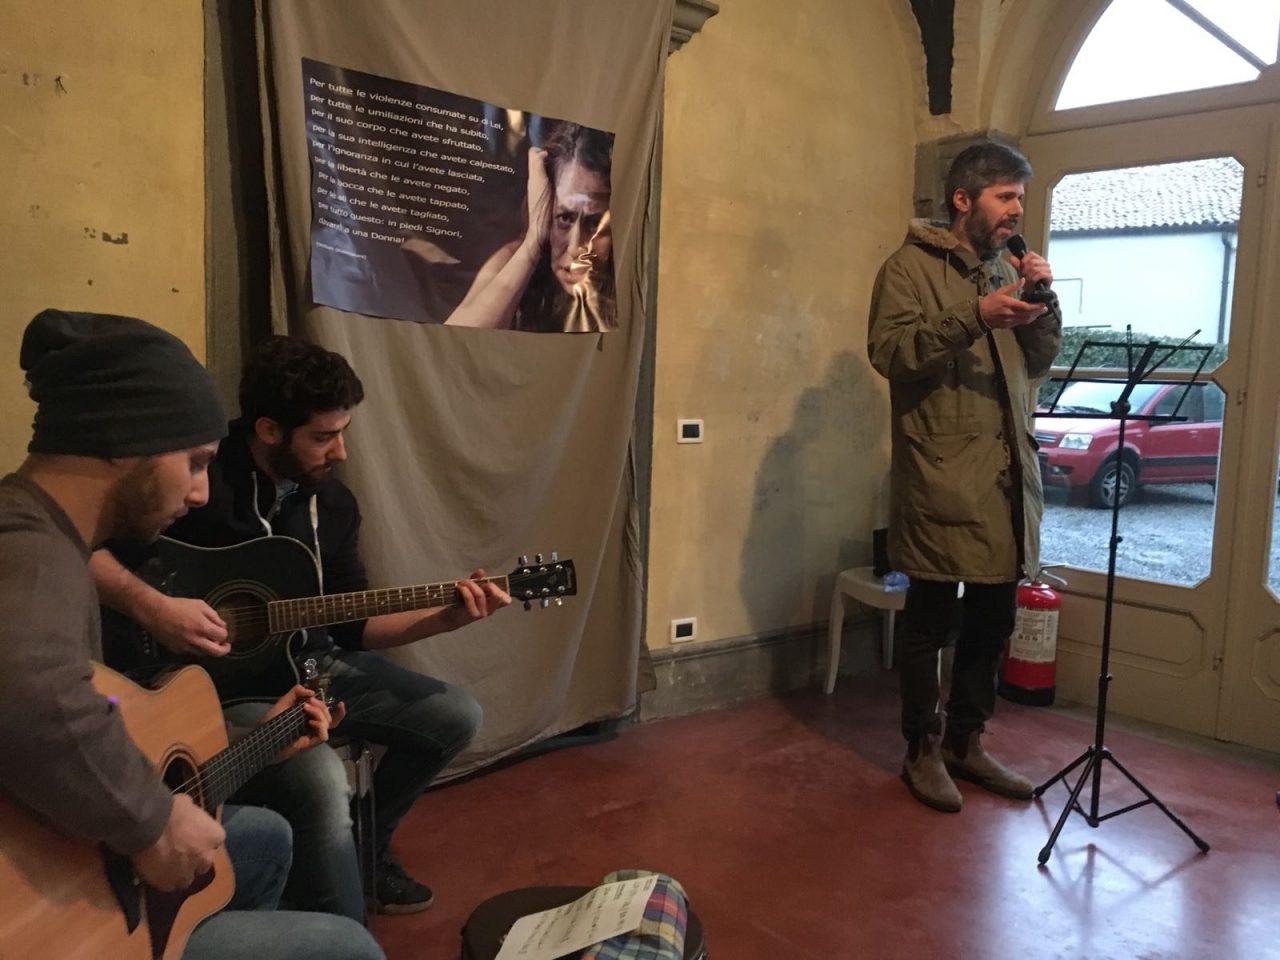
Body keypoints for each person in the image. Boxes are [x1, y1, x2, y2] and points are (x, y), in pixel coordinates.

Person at [0, 308, 383, 959]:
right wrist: (152, 823)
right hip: (40, 919)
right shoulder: (30, 550)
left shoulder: (48, 538)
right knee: (349, 947)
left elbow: (98, 715)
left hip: (67, 838)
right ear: (127, 442)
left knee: (261, 838)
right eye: (195, 462)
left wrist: (255, 741)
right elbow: (31, 699)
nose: (202, 492)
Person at [92, 334, 510, 917]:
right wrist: (155, 609)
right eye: (322, 436)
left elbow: (355, 626)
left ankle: (365, 851)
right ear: (268, 430)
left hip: (309, 666)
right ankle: (344, 933)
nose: (339, 450)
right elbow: (84, 549)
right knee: (318, 777)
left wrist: (446, 617)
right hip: (206, 686)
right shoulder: (198, 479)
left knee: (456, 715)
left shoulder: (333, 506)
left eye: (342, 432)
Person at [867, 142, 1063, 813]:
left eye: (1020, 200)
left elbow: (1037, 361)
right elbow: (892, 353)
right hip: (942, 473)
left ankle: (966, 742)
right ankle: (921, 750)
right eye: (1005, 197)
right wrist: (975, 317)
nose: (1016, 211)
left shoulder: (1001, 267)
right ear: (963, 199)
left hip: (1007, 475)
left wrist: (1042, 297)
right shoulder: (906, 269)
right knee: (930, 619)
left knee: (992, 617)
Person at [440, 121, 617, 332]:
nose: (575, 248)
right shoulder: (513, 259)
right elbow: (455, 342)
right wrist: (532, 246)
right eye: (565, 218)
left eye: (594, 223)